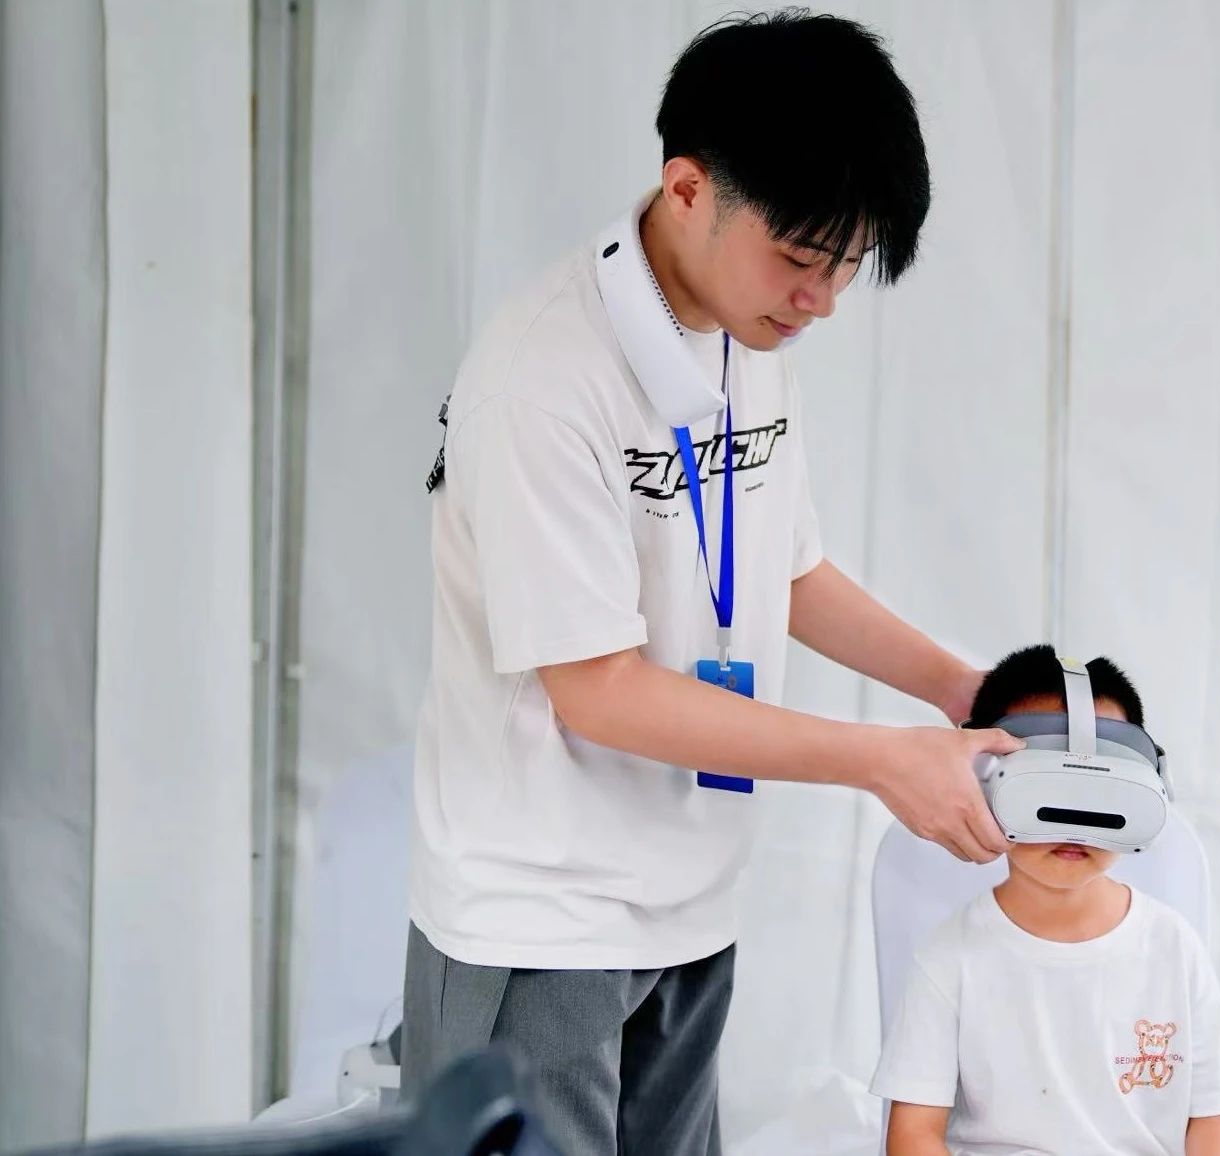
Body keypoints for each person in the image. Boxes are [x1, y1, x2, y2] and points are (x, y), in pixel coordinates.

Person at [398, 10, 1025, 1154]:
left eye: (848, 267)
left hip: (691, 905)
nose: (822, 299)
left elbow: (788, 567)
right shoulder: (542, 379)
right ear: (687, 189)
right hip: (539, 917)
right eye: (802, 258)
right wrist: (881, 760)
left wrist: (959, 687)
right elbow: (598, 690)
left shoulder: (747, 333)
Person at [872, 645, 1220, 1156]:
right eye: (1047, 786)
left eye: (1099, 790)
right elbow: (913, 1135)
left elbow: (1214, 1123)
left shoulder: (1174, 948)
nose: (1074, 824)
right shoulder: (949, 957)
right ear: (978, 780)